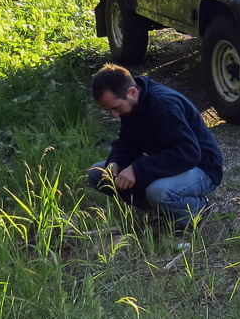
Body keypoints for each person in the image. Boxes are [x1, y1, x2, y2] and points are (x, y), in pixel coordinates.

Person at [87, 63, 223, 230]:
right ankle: (164, 210)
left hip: (202, 168)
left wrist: (137, 170)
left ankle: (196, 210)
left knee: (158, 192)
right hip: (172, 165)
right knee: (97, 174)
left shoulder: (163, 105)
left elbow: (189, 153)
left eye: (116, 108)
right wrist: (115, 162)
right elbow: (127, 143)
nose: (115, 115)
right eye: (110, 111)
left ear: (131, 92)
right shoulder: (131, 106)